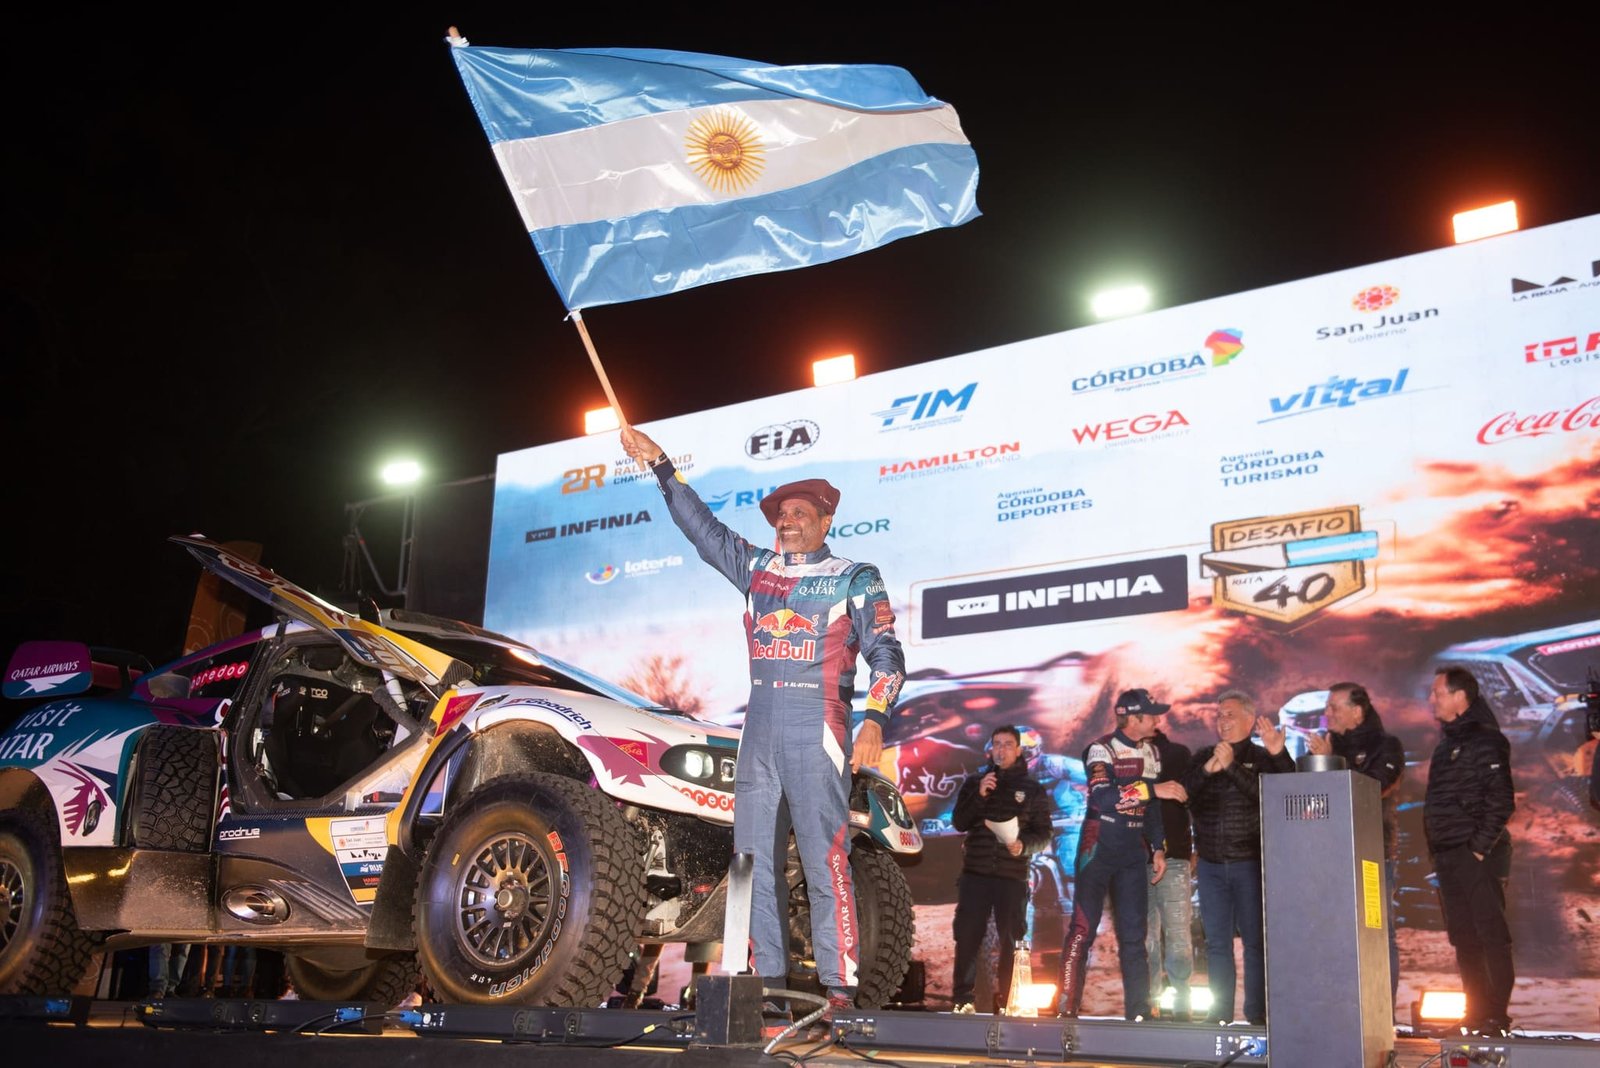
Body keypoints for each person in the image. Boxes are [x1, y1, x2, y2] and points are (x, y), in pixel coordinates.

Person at [620, 427, 905, 1016]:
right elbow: (704, 530)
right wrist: (662, 465)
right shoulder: (758, 570)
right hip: (759, 730)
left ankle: (839, 990)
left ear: (825, 521)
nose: (787, 521)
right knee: (750, 864)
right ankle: (765, 986)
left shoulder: (856, 575)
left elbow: (887, 653)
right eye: (781, 514)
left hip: (819, 727)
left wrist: (875, 719)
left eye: (800, 513)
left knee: (826, 859)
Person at [1182, 689, 1292, 1026]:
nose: (1223, 721)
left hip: (1250, 863)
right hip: (1211, 865)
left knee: (1255, 943)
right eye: (1219, 715)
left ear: (1249, 718)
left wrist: (1231, 767)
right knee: (1216, 943)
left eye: (1230, 714)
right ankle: (1219, 1015)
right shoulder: (1203, 756)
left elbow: (1275, 795)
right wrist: (1208, 770)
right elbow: (1185, 794)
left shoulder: (1261, 757)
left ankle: (1257, 1014)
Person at [1057, 688, 1167, 1020]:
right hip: (1098, 848)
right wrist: (1152, 789)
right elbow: (1104, 799)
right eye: (1152, 715)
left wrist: (1158, 847)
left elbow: (1152, 807)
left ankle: (1139, 1014)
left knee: (1135, 938)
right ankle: (1066, 1008)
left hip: (1133, 853)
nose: (1157, 721)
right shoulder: (1100, 749)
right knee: (1082, 930)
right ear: (1134, 718)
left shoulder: (1152, 751)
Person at [1425, 666, 1516, 1037]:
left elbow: (1501, 800)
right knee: (1464, 939)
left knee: (1490, 934)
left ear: (1459, 696)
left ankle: (1496, 1017)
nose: (1431, 699)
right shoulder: (1445, 744)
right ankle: (1475, 1015)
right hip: (1448, 854)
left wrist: (1477, 849)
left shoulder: (1487, 739)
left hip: (1475, 854)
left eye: (1437, 693)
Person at [1306, 682, 1405, 1000]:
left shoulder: (1386, 746)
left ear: (1357, 711)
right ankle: (1338, 1005)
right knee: (1331, 933)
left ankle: (1380, 1008)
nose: (1327, 713)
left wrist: (1331, 763)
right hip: (1328, 857)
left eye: (1334, 707)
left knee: (1377, 932)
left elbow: (1371, 788)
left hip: (1371, 856)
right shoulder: (1326, 745)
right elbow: (1304, 795)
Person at [949, 724, 1053, 1014]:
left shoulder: (1032, 789)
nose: (1001, 750)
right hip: (975, 875)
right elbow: (960, 822)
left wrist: (1023, 845)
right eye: (997, 744)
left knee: (1012, 940)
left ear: (1018, 750)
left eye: (1007, 744)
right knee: (967, 936)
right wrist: (980, 795)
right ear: (990, 749)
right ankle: (963, 1000)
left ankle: (1009, 1002)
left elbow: (1044, 833)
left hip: (1012, 876)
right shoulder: (975, 782)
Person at [1145, 723, 1193, 1019]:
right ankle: (1149, 1003)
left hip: (1174, 854)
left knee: (1177, 932)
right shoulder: (1122, 755)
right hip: (1133, 859)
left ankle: (1182, 1003)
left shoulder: (1177, 754)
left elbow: (1191, 799)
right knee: (1145, 937)